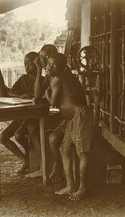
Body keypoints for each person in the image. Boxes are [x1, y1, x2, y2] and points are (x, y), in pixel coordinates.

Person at [45, 53, 93, 201]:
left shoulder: (59, 79)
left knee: (82, 152)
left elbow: (52, 102)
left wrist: (47, 92)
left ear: (62, 67)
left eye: (53, 65)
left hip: (80, 116)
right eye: (48, 64)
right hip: (72, 118)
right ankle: (70, 186)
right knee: (64, 148)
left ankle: (83, 188)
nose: (49, 67)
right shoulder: (66, 76)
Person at [25, 44, 67, 182]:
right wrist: (38, 70)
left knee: (35, 128)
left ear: (49, 57)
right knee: (32, 127)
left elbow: (46, 98)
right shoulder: (49, 73)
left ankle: (53, 166)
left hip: (68, 116)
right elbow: (38, 95)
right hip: (62, 114)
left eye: (42, 57)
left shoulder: (59, 72)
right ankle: (44, 167)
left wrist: (44, 95)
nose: (39, 59)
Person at [0, 52, 43, 173]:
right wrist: (20, 95)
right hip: (21, 116)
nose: (27, 67)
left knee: (18, 136)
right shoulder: (23, 79)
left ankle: (31, 156)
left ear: (38, 64)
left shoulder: (43, 80)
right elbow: (9, 92)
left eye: (30, 64)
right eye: (25, 64)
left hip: (34, 117)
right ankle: (25, 159)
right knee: (3, 137)